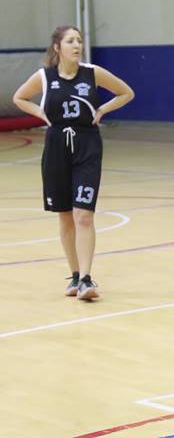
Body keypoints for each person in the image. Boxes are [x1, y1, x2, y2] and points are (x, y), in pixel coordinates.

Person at [13, 26, 135, 300]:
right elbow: (19, 98)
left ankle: (88, 278)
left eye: (79, 40)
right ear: (57, 47)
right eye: (70, 41)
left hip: (87, 144)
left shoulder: (92, 73)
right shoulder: (45, 77)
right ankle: (76, 275)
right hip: (57, 144)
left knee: (84, 214)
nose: (77, 45)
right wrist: (40, 113)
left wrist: (103, 109)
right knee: (65, 215)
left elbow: (126, 92)